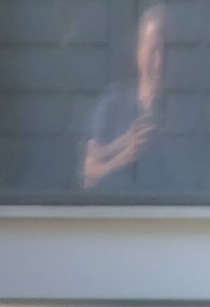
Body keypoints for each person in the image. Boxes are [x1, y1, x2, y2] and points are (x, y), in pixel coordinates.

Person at [83, 5, 168, 191]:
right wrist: (123, 154)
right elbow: (88, 175)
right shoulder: (113, 104)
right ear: (139, 52)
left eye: (167, 50)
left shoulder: (186, 111)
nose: (160, 61)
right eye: (153, 50)